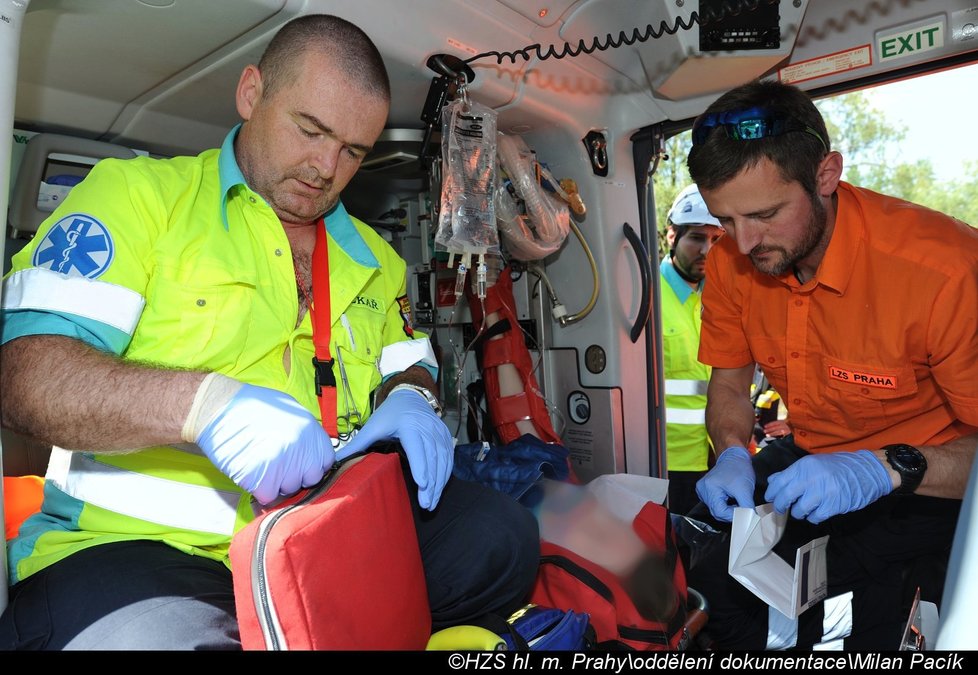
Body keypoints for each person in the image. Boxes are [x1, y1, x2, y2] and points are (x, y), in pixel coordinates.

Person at [0, 14, 538, 650]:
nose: (325, 168)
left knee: (503, 540)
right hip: (141, 553)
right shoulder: (138, 199)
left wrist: (411, 397)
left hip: (325, 531)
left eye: (353, 152)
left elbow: (408, 361)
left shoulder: (375, 258)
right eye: (310, 130)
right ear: (251, 93)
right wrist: (203, 409)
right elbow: (25, 375)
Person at [684, 79, 978, 650]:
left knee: (885, 631)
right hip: (810, 460)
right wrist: (729, 454)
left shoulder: (947, 274)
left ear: (826, 175)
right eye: (726, 220)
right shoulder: (730, 263)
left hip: (931, 482)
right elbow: (728, 387)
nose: (743, 244)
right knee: (711, 588)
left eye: (765, 214)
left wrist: (883, 470)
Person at [660, 184, 725, 516]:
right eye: (697, 238)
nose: (707, 250)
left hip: (719, 456)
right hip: (668, 463)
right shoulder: (647, 298)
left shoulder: (722, 297)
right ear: (672, 236)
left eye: (716, 240)